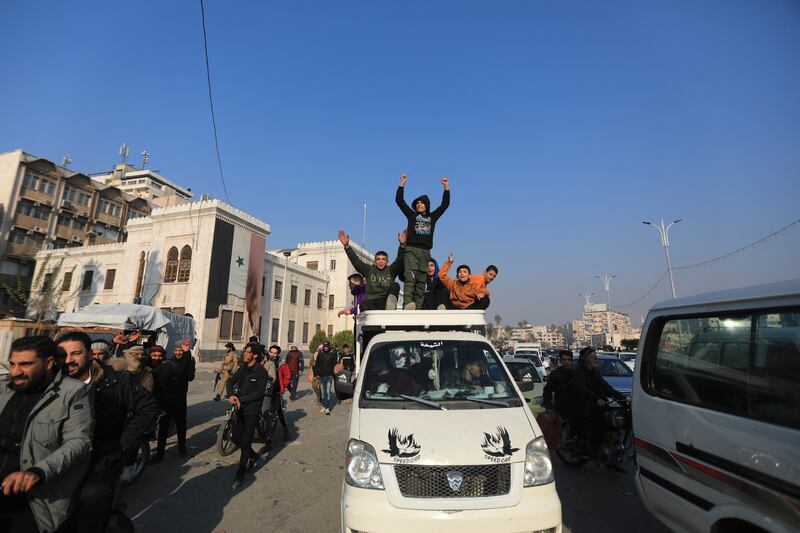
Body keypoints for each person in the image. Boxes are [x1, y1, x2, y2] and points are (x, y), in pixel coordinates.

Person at [56, 331, 158, 533]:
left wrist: (121, 444)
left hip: (100, 461)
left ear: (88, 354)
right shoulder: (53, 382)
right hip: (60, 462)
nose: (68, 360)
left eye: (75, 353)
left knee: (95, 505)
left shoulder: (114, 381)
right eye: (63, 355)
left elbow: (148, 407)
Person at [0, 336, 93, 533]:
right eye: (12, 364)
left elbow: (79, 442)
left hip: (33, 497)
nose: (15, 372)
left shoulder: (73, 392)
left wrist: (38, 472)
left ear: (48, 363)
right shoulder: (4, 388)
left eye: (25, 364)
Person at [395, 174, 450, 309]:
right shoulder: (412, 215)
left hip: (425, 251)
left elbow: (444, 205)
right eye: (417, 203)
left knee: (421, 279)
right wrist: (402, 184)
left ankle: (418, 306)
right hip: (411, 249)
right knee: (410, 275)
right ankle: (408, 303)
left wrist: (446, 188)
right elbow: (399, 201)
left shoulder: (432, 217)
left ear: (426, 205)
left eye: (421, 203)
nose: (419, 204)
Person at [226, 342, 268, 490]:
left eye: (248, 352)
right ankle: (254, 455)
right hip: (238, 409)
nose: (244, 353)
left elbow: (259, 393)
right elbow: (230, 382)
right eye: (245, 351)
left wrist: (240, 400)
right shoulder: (242, 368)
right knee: (236, 438)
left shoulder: (261, 371)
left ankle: (240, 473)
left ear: (255, 355)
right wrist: (231, 395)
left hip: (251, 410)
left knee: (246, 441)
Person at [570, 347, 627, 453]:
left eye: (595, 356)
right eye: (592, 356)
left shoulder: (594, 372)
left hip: (599, 403)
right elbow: (582, 389)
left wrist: (622, 397)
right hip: (585, 404)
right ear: (584, 358)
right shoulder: (578, 372)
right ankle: (594, 449)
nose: (595, 358)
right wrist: (596, 399)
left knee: (613, 421)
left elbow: (605, 386)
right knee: (598, 424)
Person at [339, 229, 406, 311]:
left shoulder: (391, 270)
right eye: (378, 259)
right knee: (363, 305)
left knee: (396, 285)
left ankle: (390, 306)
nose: (381, 261)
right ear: (375, 261)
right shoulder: (368, 270)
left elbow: (399, 261)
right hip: (373, 302)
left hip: (387, 301)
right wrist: (347, 246)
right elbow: (356, 261)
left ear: (387, 261)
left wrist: (402, 245)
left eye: (383, 259)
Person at [152, 341, 196, 462]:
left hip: (180, 398)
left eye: (180, 351)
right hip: (166, 399)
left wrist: (188, 364)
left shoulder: (189, 361)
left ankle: (182, 449)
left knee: (181, 426)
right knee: (163, 427)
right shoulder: (168, 362)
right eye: (176, 350)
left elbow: (190, 377)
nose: (177, 352)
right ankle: (160, 453)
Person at [263, 345, 290, 441]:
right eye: (271, 352)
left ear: (278, 354)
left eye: (275, 353)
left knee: (278, 409)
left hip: (276, 389)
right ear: (269, 352)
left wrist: (283, 387)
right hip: (264, 388)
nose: (273, 354)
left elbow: (287, 377)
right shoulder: (264, 361)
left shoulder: (281, 364)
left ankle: (285, 429)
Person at [543, 350, 574, 415]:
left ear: (571, 361)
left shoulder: (577, 374)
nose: (567, 362)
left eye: (569, 359)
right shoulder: (555, 374)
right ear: (560, 361)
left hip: (575, 410)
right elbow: (547, 391)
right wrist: (549, 407)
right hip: (560, 409)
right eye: (564, 360)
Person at [313, 341, 338, 414]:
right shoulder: (320, 354)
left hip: (329, 375)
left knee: (328, 392)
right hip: (321, 376)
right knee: (323, 393)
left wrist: (335, 375)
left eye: (327, 346)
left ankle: (327, 408)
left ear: (329, 347)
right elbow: (316, 364)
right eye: (325, 346)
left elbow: (335, 364)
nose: (326, 347)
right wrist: (315, 374)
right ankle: (324, 406)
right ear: (323, 347)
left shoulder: (332, 354)